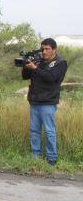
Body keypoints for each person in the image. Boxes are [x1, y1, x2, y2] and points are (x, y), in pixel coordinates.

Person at [22, 38, 68, 166]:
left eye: (47, 49)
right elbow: (25, 76)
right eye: (43, 49)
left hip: (48, 102)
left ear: (54, 50)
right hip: (35, 101)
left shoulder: (60, 63)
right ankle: (35, 156)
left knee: (49, 131)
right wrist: (27, 65)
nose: (44, 52)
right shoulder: (39, 61)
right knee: (34, 131)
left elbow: (51, 78)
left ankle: (51, 159)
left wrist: (35, 68)